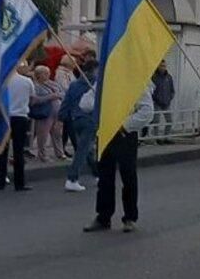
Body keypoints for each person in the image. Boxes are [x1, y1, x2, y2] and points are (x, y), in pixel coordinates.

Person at [82, 78, 154, 233]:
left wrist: (123, 125)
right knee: (105, 176)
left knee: (128, 175)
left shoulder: (136, 81)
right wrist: (100, 99)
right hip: (105, 132)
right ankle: (103, 216)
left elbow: (147, 111)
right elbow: (85, 104)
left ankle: (130, 217)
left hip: (124, 134)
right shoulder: (102, 81)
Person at [0, 62, 34, 191]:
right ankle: (20, 183)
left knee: (2, 150)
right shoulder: (27, 81)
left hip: (4, 116)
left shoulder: (0, 82)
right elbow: (32, 98)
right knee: (18, 151)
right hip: (21, 116)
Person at [59, 59, 98, 192]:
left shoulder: (74, 84)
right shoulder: (96, 82)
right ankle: (72, 178)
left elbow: (66, 101)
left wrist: (62, 116)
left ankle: (97, 173)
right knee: (83, 149)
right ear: (94, 69)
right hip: (89, 118)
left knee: (87, 150)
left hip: (75, 119)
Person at [29, 65, 64, 162]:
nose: (47, 75)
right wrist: (50, 97)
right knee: (43, 136)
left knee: (57, 133)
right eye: (45, 73)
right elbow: (34, 100)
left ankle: (60, 153)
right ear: (38, 75)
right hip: (45, 113)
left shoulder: (54, 84)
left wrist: (59, 95)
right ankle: (43, 155)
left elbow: (62, 93)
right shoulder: (35, 86)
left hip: (57, 112)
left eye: (48, 73)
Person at [150, 60, 176, 142]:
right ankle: (156, 138)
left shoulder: (169, 77)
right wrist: (155, 99)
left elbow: (172, 90)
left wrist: (169, 98)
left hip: (166, 103)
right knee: (156, 121)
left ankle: (166, 137)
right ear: (158, 66)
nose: (163, 68)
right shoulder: (154, 77)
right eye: (161, 66)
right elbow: (151, 91)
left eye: (164, 66)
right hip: (157, 102)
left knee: (169, 121)